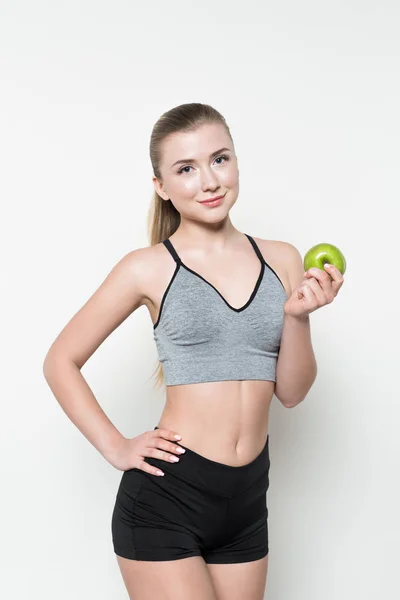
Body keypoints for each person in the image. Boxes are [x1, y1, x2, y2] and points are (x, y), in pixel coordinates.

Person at [43, 102, 344, 600]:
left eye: (219, 159)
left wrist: (297, 316)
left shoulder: (283, 258)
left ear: (236, 162)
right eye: (186, 169)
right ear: (161, 185)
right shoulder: (147, 268)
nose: (209, 181)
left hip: (248, 502)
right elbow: (60, 360)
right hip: (167, 498)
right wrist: (116, 446)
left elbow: (291, 392)